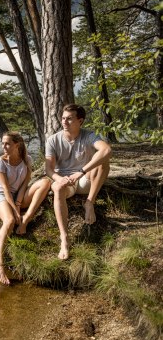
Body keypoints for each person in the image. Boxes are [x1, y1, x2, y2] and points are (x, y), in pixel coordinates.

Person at [45, 104, 112, 260]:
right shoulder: (53, 140)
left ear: (80, 121)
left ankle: (89, 203)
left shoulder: (89, 135)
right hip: (64, 180)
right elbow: (48, 169)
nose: (64, 122)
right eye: (63, 118)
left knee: (104, 161)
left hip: (84, 179)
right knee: (58, 187)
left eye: (69, 119)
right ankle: (64, 239)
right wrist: (59, 178)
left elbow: (106, 150)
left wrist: (81, 171)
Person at [0, 131, 51, 285]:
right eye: (2, 143)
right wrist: (15, 211)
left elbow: (25, 183)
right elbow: (5, 189)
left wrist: (19, 205)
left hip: (18, 195)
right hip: (0, 195)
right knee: (9, 221)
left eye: (7, 143)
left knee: (45, 182)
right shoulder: (0, 162)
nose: (3, 146)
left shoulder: (27, 159)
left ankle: (26, 220)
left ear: (17, 145)